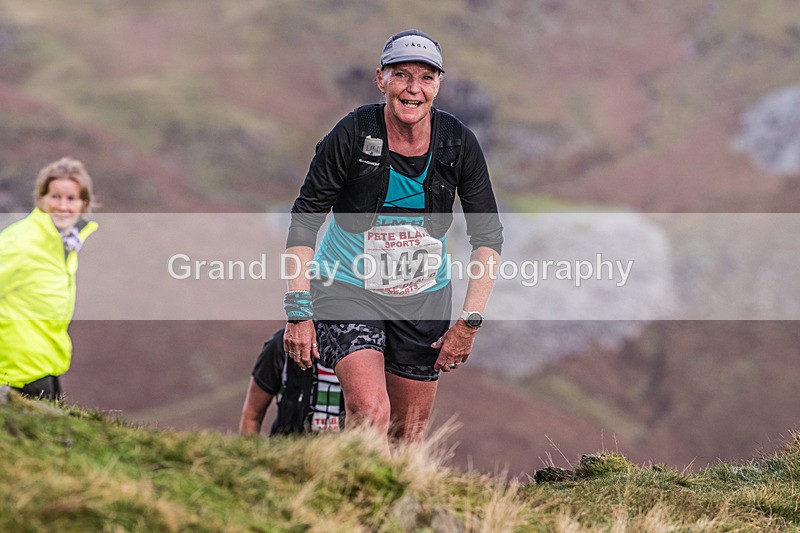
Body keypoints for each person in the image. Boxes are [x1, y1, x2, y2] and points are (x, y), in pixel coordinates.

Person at [281, 29, 503, 451]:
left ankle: (387, 495)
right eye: (401, 75)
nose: (413, 88)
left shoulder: (458, 143)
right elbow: (305, 220)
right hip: (347, 287)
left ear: (438, 84)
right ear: (380, 79)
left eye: (425, 77)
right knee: (369, 411)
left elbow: (488, 237)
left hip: (423, 300)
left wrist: (469, 323)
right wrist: (298, 311)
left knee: (407, 436)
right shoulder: (352, 133)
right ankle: (356, 490)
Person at [0, 156, 98, 400]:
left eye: (71, 198)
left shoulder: (63, 245)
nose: (62, 206)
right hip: (15, 371)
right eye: (55, 196)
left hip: (45, 366)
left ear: (83, 204)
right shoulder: (21, 242)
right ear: (41, 199)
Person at [239, 328, 343, 436]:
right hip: (286, 443)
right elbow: (252, 415)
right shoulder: (282, 345)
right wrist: (248, 446)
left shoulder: (355, 349)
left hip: (344, 445)